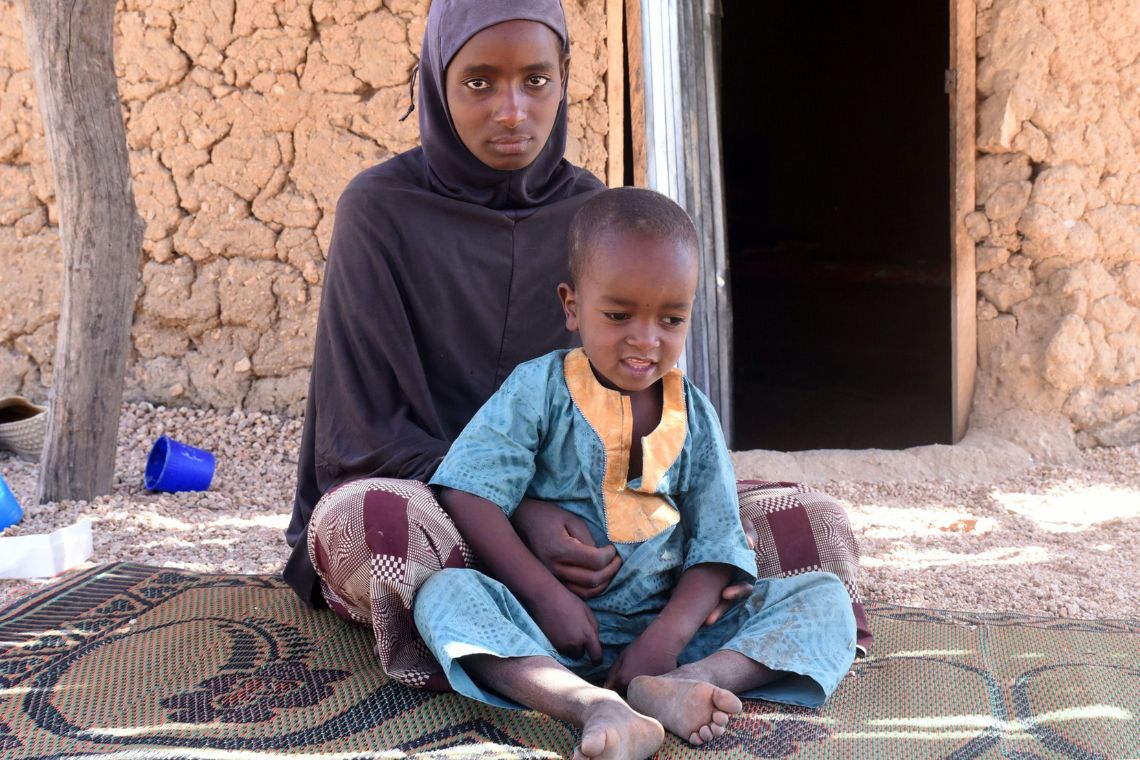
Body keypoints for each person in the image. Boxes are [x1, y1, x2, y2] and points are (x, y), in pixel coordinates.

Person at [284, 0, 870, 693]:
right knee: (373, 528)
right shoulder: (378, 213)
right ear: (437, 82)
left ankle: (641, 663)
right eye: (479, 82)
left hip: (603, 535)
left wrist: (611, 516)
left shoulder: (593, 223)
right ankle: (548, 667)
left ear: (564, 79)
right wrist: (523, 516)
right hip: (447, 521)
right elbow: (362, 438)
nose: (512, 110)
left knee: (811, 527)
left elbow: (640, 415)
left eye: (536, 81)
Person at [415, 187, 857, 760]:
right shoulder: (538, 390)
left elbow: (717, 541)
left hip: (671, 633)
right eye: (619, 314)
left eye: (670, 318)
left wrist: (667, 641)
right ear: (571, 305)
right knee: (443, 594)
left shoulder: (694, 412)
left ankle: (681, 684)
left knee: (824, 597)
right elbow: (468, 492)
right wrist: (546, 596)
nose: (645, 339)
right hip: (544, 628)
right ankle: (587, 704)